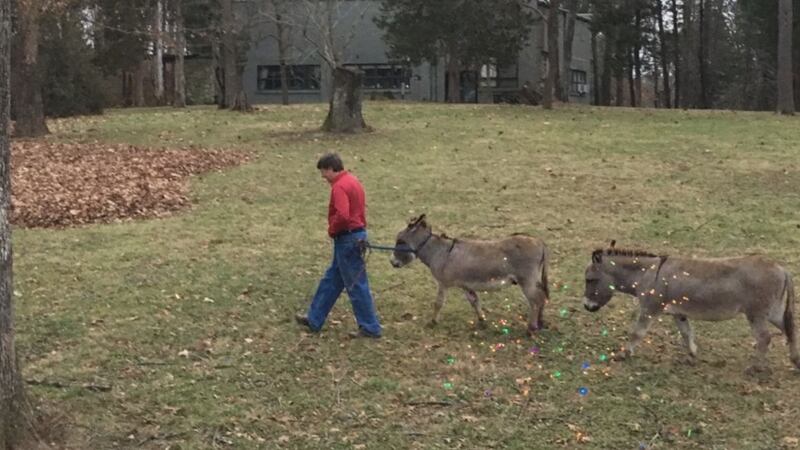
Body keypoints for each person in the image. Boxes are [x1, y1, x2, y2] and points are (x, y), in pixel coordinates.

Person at [295, 153, 382, 338]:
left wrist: (332, 229)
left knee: (356, 285)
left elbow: (343, 215)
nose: (323, 177)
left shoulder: (339, 187)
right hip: (356, 235)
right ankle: (314, 318)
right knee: (331, 280)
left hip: (347, 239)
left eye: (323, 172)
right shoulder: (352, 180)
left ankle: (370, 327)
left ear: (330, 169)